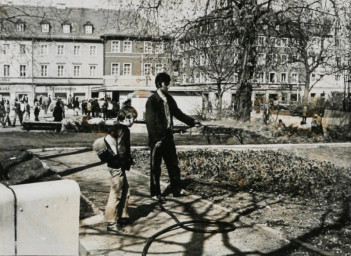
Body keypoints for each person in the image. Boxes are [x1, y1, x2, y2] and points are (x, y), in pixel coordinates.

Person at [145, 72, 201, 201]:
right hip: (158, 140)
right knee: (156, 167)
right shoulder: (152, 101)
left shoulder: (168, 99)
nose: (168, 86)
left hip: (168, 137)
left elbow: (178, 113)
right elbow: (150, 123)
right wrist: (155, 140)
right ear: (160, 84)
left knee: (173, 165)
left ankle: (176, 190)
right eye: (167, 84)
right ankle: (155, 193)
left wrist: (192, 121)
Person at [101, 105, 137, 233]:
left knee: (125, 190)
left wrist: (129, 159)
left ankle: (122, 216)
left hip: (114, 164)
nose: (134, 121)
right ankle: (111, 223)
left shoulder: (116, 127)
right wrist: (124, 163)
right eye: (133, 118)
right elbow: (122, 149)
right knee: (115, 194)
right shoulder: (124, 130)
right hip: (117, 166)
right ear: (127, 117)